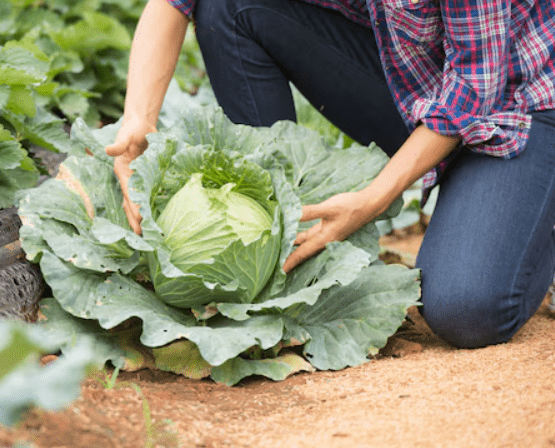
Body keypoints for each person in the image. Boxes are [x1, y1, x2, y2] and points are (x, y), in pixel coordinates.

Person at [104, 0, 555, 349]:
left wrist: (373, 199)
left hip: (519, 105)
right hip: (414, 78)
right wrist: (138, 119)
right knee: (229, 7)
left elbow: (476, 86)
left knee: (466, 310)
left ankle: (533, 204)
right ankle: (280, 249)